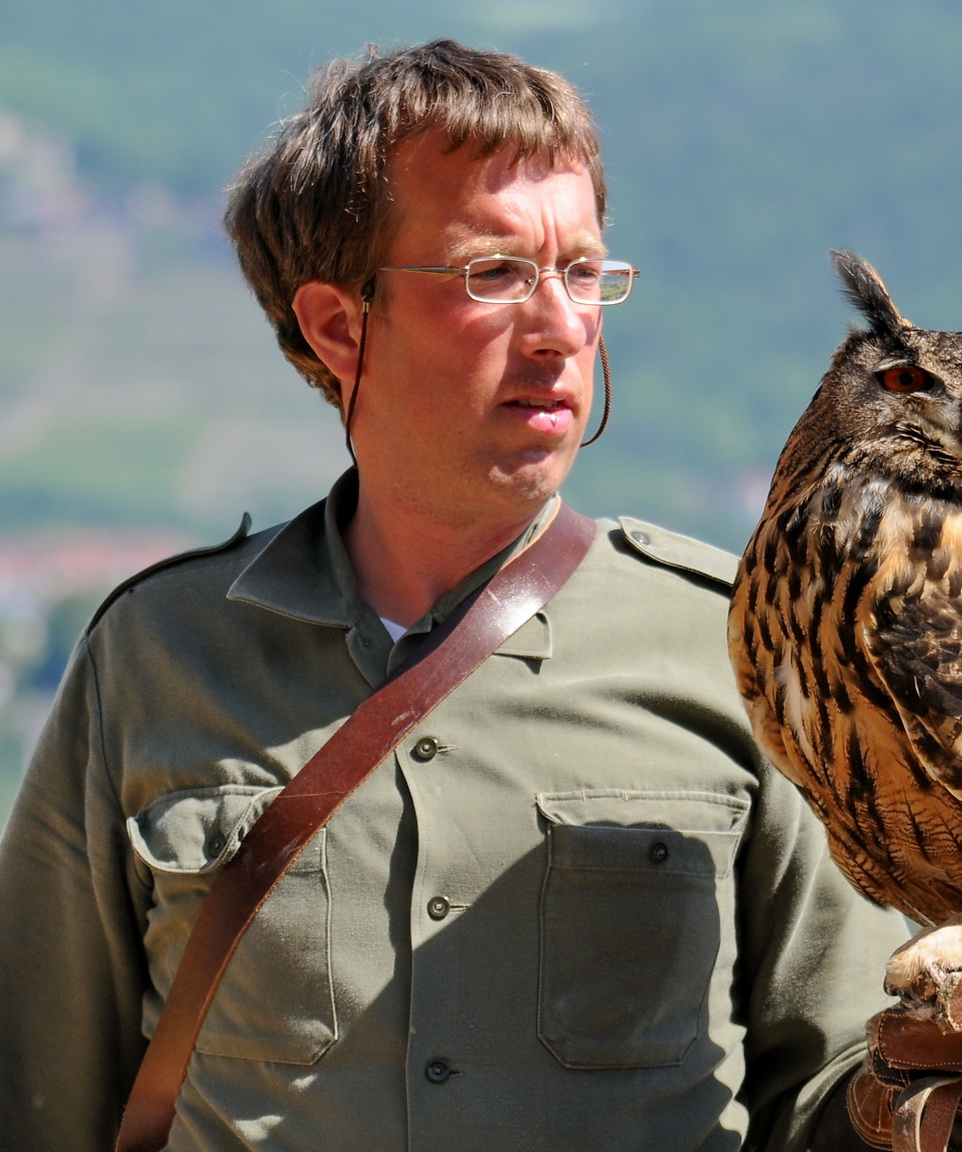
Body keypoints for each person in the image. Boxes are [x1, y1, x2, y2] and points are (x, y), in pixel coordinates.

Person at [0, 39, 913, 1152]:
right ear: (339, 326)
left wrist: (953, 1093)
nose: (561, 326)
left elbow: (836, 1081)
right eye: (495, 274)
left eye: (582, 273)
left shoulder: (743, 645)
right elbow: (38, 1096)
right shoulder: (157, 656)